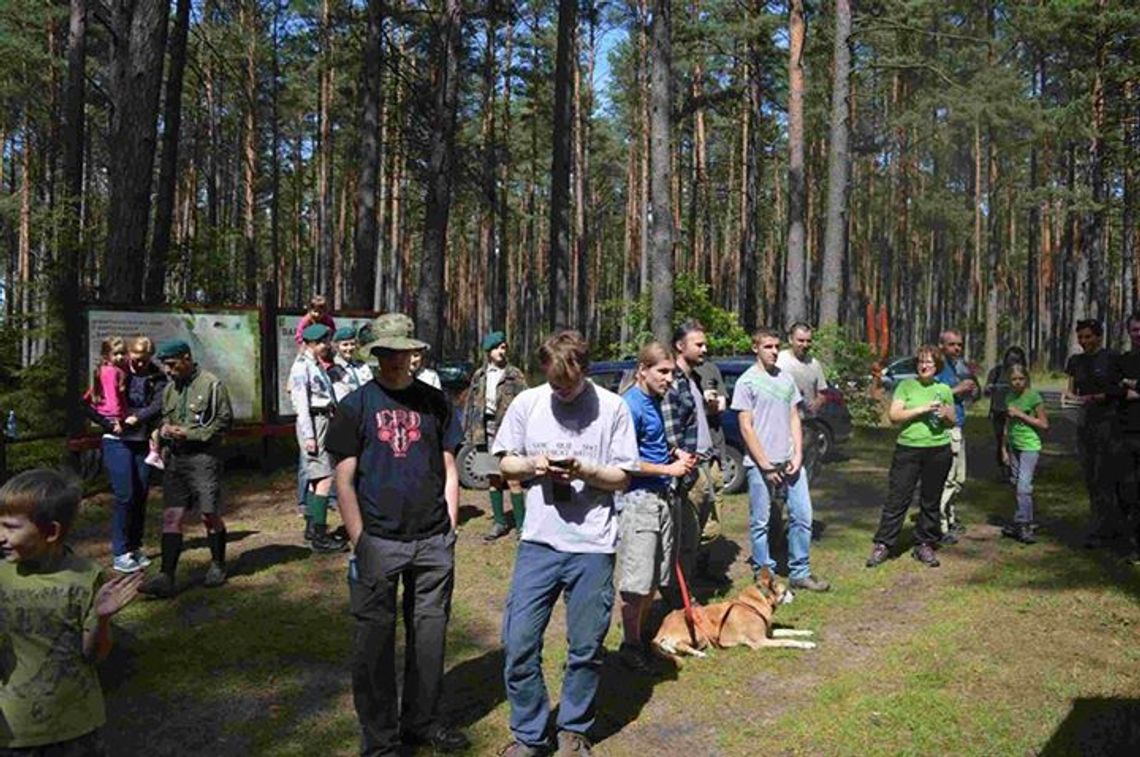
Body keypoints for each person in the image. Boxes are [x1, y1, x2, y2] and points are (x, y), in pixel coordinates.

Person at [326, 313, 469, 756]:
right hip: (379, 542)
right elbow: (343, 480)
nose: (392, 361)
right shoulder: (355, 406)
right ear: (374, 355)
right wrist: (360, 541)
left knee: (429, 639)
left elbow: (448, 468)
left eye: (399, 352)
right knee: (374, 646)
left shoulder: (436, 403)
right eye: (384, 353)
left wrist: (448, 526)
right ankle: (381, 740)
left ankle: (421, 722)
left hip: (432, 541)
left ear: (414, 353)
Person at [494, 330, 639, 757]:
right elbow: (504, 461)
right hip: (539, 542)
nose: (562, 392)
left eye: (570, 385)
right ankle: (530, 735)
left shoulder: (612, 407)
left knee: (586, 646)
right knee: (519, 642)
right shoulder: (527, 403)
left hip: (593, 545)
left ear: (585, 371)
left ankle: (573, 729)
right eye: (555, 384)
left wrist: (584, 470)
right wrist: (534, 464)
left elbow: (623, 476)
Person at [0, 469, 144, 755]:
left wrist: (102, 619)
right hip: (13, 730)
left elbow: (93, 656)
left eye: (10, 527)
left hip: (75, 728)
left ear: (51, 532)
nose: (0, 536)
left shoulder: (86, 576)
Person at [731, 327, 830, 591]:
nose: (774, 351)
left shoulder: (785, 379)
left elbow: (794, 417)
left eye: (776, 347)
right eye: (768, 347)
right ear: (756, 348)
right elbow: (746, 427)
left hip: (790, 461)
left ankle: (800, 571)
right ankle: (764, 572)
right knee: (761, 521)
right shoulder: (746, 382)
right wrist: (764, 464)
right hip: (760, 464)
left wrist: (797, 454)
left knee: (802, 516)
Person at [616, 342, 694, 674]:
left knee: (653, 579)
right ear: (642, 370)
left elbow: (651, 447)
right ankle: (630, 644)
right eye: (662, 372)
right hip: (639, 503)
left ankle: (641, 635)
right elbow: (624, 461)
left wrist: (674, 455)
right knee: (637, 582)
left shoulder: (653, 402)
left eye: (672, 373)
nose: (669, 379)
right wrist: (668, 470)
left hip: (661, 500)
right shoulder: (630, 405)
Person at [139, 340, 234, 598]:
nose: (168, 371)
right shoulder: (170, 389)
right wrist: (163, 431)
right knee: (172, 517)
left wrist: (190, 433)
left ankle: (217, 564)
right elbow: (167, 418)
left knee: (209, 514)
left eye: (171, 365)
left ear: (186, 358)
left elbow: (224, 422)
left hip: (203, 458)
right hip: (175, 460)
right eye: (165, 366)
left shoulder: (212, 385)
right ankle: (166, 576)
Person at [865, 345, 957, 569]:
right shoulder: (906, 386)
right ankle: (884, 544)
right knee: (898, 498)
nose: (924, 366)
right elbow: (894, 415)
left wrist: (946, 414)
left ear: (937, 367)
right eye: (921, 362)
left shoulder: (944, 389)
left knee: (931, 500)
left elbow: (952, 420)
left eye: (929, 363)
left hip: (938, 449)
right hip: (909, 449)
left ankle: (925, 543)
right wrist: (923, 409)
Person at [83, 336, 168, 574]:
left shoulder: (157, 376)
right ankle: (120, 551)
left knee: (140, 495)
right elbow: (88, 403)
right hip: (117, 441)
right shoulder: (113, 371)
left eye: (145, 360)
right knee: (125, 495)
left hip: (141, 441)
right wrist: (110, 425)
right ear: (129, 354)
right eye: (136, 359)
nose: (140, 364)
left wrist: (136, 418)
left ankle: (134, 546)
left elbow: (157, 404)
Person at [661, 320, 722, 592]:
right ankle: (677, 596)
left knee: (705, 532)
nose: (705, 349)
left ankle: (688, 584)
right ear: (679, 346)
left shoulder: (693, 378)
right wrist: (680, 461)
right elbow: (669, 431)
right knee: (685, 536)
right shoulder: (672, 382)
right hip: (689, 467)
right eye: (699, 344)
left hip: (706, 461)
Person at [1064, 318, 1125, 548]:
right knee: (1090, 477)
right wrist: (1071, 399)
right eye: (1080, 337)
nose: (1084, 341)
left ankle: (1113, 527)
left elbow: (1121, 389)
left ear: (1099, 336)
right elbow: (1069, 390)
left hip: (1109, 425)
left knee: (1107, 476)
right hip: (1084, 424)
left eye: (1088, 336)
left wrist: (1101, 397)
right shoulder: (1075, 361)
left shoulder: (1112, 358)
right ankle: (1099, 526)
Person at [463, 331, 528, 541]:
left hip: (508, 431)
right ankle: (499, 522)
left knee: (513, 479)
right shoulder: (479, 375)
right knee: (493, 478)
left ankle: (521, 525)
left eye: (503, 348)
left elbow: (526, 402)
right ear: (488, 352)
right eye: (498, 348)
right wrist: (469, 431)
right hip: (485, 429)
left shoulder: (514, 375)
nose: (501, 351)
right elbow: (471, 404)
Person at [290, 323, 348, 554]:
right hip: (313, 423)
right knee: (324, 479)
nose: (326, 346)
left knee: (318, 479)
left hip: (323, 419)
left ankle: (313, 529)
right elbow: (302, 404)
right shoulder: (301, 367)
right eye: (323, 342)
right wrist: (309, 436)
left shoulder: (315, 365)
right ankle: (320, 535)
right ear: (311, 343)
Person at [935, 329, 979, 542]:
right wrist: (957, 388)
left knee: (959, 478)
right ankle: (940, 526)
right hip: (946, 428)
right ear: (942, 345)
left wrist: (969, 390)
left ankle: (950, 518)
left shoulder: (957, 366)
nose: (957, 349)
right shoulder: (937, 366)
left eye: (960, 345)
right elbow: (932, 395)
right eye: (952, 344)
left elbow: (961, 392)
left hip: (958, 426)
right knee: (949, 479)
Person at [1000, 364, 1048, 545]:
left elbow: (1044, 424)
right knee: (1016, 483)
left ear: (1026, 379)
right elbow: (1007, 424)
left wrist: (1021, 415)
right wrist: (1003, 448)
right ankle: (1020, 519)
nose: (1017, 382)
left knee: (1024, 486)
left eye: (1021, 379)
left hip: (1030, 446)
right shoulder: (1009, 397)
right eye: (1014, 379)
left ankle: (1024, 524)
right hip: (1014, 446)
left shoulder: (1033, 397)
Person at [1117, 310, 1140, 562]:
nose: (1139, 334)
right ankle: (1130, 543)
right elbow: (1112, 389)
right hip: (1126, 434)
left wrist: (1132, 385)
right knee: (1128, 490)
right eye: (1135, 329)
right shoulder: (1122, 360)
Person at [984, 346, 1029, 473]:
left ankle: (1015, 467)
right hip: (999, 410)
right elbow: (986, 392)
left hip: (1016, 410)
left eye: (1017, 359)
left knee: (1015, 439)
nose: (1013, 362)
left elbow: (1028, 392)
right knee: (1000, 439)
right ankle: (1002, 467)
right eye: (1011, 359)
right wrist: (990, 388)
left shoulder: (1023, 373)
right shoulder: (996, 371)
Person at [776, 322, 829, 416]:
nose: (805, 345)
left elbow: (823, 392)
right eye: (800, 340)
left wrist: (818, 402)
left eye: (808, 341)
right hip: (784, 421)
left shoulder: (814, 364)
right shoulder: (779, 361)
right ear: (790, 339)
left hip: (808, 422)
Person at [86, 336, 129, 436]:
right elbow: (113, 396)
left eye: (122, 353)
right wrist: (118, 418)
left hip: (103, 413)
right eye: (115, 354)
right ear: (107, 355)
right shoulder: (112, 371)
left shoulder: (104, 369)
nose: (120, 357)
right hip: (112, 416)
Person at [328, 325, 376, 402]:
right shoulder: (334, 370)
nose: (349, 348)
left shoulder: (362, 366)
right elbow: (342, 398)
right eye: (345, 345)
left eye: (352, 344)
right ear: (336, 347)